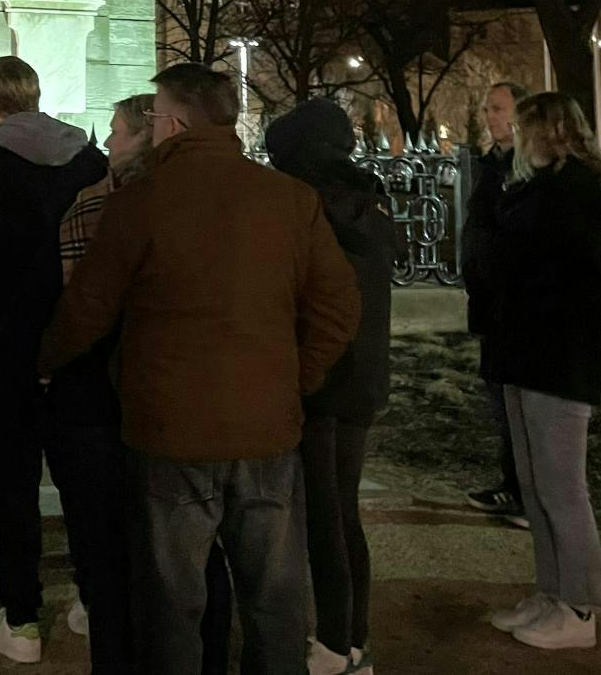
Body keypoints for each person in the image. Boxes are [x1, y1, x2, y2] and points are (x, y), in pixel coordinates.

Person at [41, 63, 362, 675]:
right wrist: (297, 377)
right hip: (266, 427)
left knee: (173, 603)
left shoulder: (142, 202)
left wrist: (47, 361)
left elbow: (88, 305)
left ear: (175, 121)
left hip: (171, 432)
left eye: (158, 116)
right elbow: (338, 304)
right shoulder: (287, 199)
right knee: (274, 601)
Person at [0, 56, 110, 664]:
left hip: (2, 356)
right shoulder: (88, 161)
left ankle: (22, 618)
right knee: (83, 484)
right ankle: (94, 601)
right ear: (36, 96)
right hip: (77, 349)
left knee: (12, 488)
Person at [482, 93, 601, 652]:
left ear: (552, 133)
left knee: (563, 488)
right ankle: (551, 589)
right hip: (523, 351)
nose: (516, 138)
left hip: (557, 357)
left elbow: (575, 275)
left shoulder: (579, 194)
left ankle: (581, 605)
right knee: (536, 486)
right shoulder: (534, 190)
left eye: (525, 127)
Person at [262, 100, 395, 675]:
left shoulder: (299, 209)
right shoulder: (372, 205)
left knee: (320, 516)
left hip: (316, 378)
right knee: (343, 511)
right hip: (362, 377)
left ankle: (335, 643)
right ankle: (353, 638)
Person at [44, 92, 157, 675]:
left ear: (146, 134)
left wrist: (49, 362)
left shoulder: (95, 205)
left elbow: (80, 303)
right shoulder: (201, 200)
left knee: (103, 534)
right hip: (172, 389)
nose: (107, 141)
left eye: (117, 130)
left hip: (98, 389)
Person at [459, 81, 529, 525]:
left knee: (520, 407)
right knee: (501, 402)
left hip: (514, 305)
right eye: (487, 108)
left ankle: (525, 492)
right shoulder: (491, 165)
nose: (490, 116)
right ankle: (512, 485)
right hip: (490, 304)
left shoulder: (525, 169)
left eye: (499, 108)